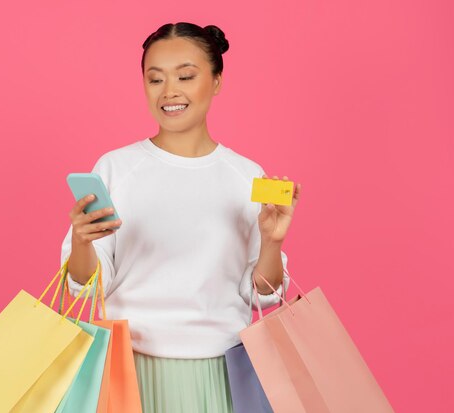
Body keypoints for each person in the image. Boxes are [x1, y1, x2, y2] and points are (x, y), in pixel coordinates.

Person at [60, 22, 301, 413]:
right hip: (129, 374)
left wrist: (272, 243)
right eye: (155, 79)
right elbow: (87, 287)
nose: (169, 91)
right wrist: (83, 240)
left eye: (186, 76)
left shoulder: (248, 175)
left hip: (225, 374)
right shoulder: (116, 169)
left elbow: (262, 294)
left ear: (217, 81)